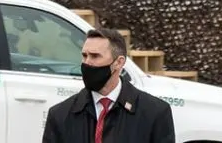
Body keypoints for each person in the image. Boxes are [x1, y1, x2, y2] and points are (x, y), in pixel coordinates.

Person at [43, 27, 175, 142]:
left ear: (118, 62)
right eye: (84, 55)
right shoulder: (60, 115)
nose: (87, 62)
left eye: (95, 56)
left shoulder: (155, 113)